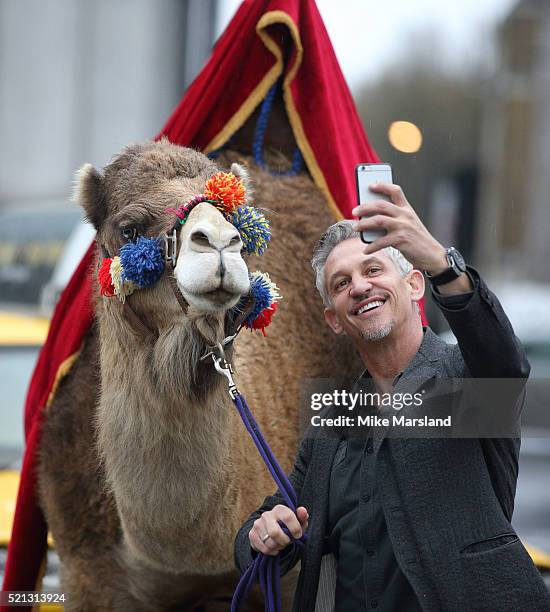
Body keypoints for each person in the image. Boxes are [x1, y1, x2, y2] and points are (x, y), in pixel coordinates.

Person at [234, 182, 550, 611]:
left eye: (373, 270)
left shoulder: (465, 378)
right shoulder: (336, 414)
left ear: (415, 285)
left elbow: (504, 361)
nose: (360, 287)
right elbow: (282, 515)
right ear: (334, 320)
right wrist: (262, 532)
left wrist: (441, 262)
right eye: (342, 283)